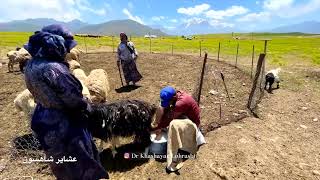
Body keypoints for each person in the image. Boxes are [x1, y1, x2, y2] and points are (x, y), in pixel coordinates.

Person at [24, 24, 108, 180]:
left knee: (61, 164)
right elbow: (74, 100)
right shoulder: (55, 69)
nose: (68, 51)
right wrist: (89, 107)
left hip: (43, 118)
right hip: (65, 124)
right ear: (55, 44)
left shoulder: (31, 65)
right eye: (66, 47)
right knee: (80, 164)